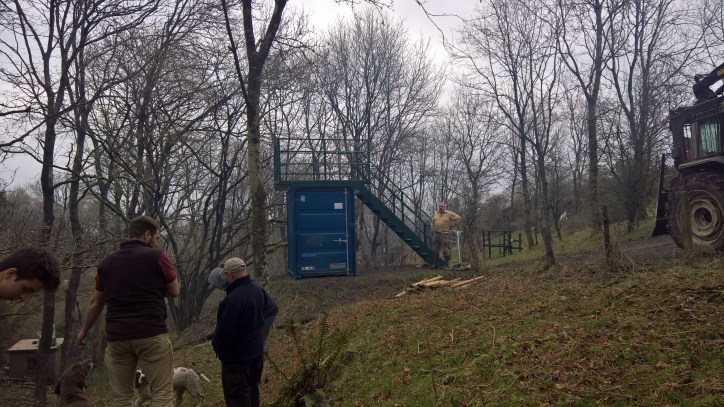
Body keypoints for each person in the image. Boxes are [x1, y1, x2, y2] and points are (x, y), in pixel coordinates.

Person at [77, 215, 180, 407]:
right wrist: (150, 290)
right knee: (161, 394)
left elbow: (96, 302)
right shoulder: (158, 256)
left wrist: (84, 331)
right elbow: (174, 291)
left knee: (123, 398)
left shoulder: (106, 263)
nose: (157, 242)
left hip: (118, 338)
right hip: (151, 333)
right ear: (147, 234)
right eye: (156, 238)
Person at [212, 257, 278, 407]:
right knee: (253, 390)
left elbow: (224, 334)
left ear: (230, 275)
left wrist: (218, 348)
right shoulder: (258, 289)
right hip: (257, 353)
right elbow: (271, 309)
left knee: (238, 396)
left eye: (226, 274)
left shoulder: (232, 300)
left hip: (237, 359)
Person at [431, 202, 462, 268]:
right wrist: (432, 230)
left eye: (442, 206)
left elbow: (458, 218)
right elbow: (433, 222)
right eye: (439, 206)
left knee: (445, 250)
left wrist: (452, 225)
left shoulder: (449, 213)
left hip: (444, 234)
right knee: (435, 250)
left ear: (444, 207)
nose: (440, 208)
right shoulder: (436, 213)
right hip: (435, 233)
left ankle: (446, 265)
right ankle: (435, 264)